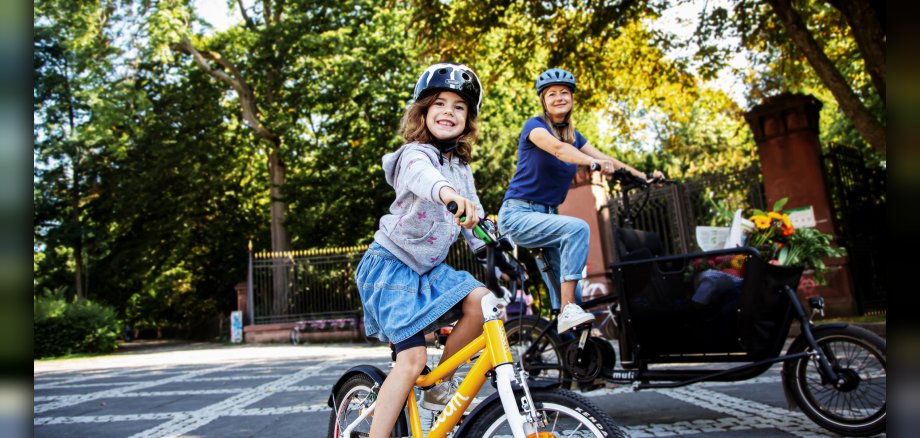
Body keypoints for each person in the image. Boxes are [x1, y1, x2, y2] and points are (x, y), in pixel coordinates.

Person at [355, 62, 495, 437]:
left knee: (483, 301)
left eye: (459, 107)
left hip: (428, 272)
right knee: (413, 358)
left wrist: (497, 251)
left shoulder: (461, 167)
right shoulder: (413, 155)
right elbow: (425, 177)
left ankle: (438, 386)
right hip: (390, 268)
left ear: (468, 119)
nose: (449, 112)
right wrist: (448, 194)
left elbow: (476, 217)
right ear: (423, 111)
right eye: (440, 104)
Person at [498, 67, 662, 333]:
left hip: (547, 218)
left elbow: (607, 159)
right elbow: (558, 150)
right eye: (552, 94)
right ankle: (567, 311)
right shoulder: (535, 127)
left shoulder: (575, 138)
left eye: (564, 92)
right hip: (518, 215)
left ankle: (574, 343)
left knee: (575, 293)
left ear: (572, 98)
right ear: (543, 101)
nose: (559, 97)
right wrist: (592, 163)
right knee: (577, 228)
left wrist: (644, 177)